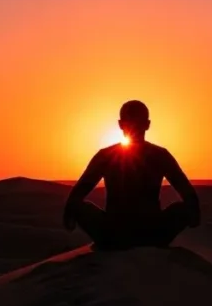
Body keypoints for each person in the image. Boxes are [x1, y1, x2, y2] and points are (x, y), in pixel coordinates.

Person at [63, 100, 201, 249]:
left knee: (80, 207)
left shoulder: (106, 155)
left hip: (112, 235)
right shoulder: (160, 155)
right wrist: (193, 217)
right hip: (152, 234)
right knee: (182, 208)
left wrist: (69, 217)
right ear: (148, 124)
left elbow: (78, 194)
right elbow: (188, 194)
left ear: (120, 124)